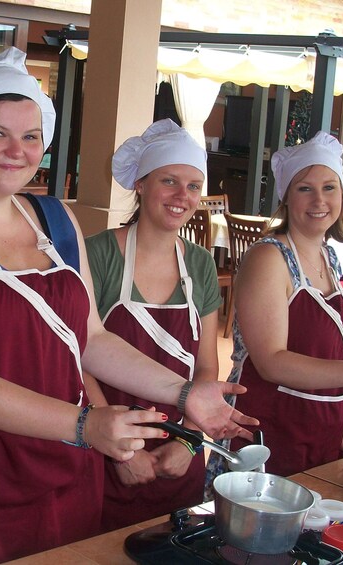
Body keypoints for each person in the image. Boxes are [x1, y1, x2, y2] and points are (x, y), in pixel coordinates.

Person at [0, 47, 255, 563]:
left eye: (30, 136)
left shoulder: (56, 220)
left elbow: (91, 338)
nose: (17, 150)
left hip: (69, 465)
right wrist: (84, 425)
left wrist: (185, 392)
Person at [225, 131, 343, 477]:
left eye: (329, 187)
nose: (319, 200)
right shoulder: (270, 258)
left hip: (321, 431)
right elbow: (271, 362)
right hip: (269, 431)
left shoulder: (328, 257)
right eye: (305, 188)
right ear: (286, 198)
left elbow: (337, 351)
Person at [85, 119, 222, 531]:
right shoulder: (98, 255)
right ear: (141, 184)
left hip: (179, 453)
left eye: (194, 186)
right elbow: (76, 359)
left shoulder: (201, 264)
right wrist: (121, 450)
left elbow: (208, 368)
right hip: (103, 443)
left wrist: (189, 440)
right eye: (169, 180)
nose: (183, 196)